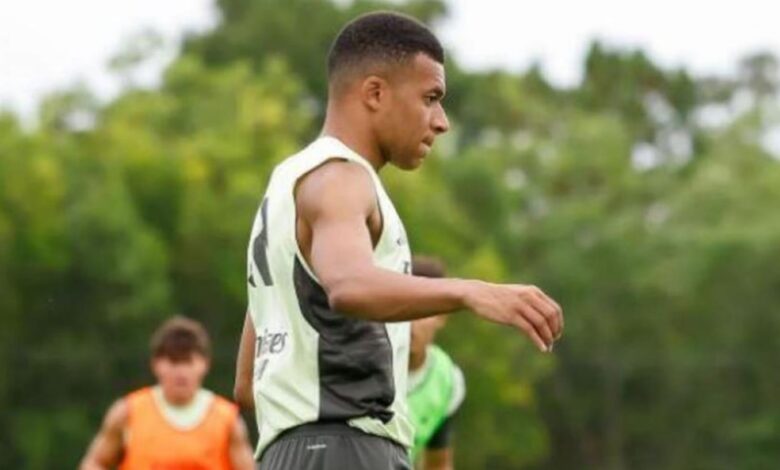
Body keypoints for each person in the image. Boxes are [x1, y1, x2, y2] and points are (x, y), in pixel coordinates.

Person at [235, 11, 563, 470]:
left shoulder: (286, 186)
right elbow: (350, 285)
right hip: (348, 451)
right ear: (375, 93)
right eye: (430, 98)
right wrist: (469, 291)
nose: (441, 121)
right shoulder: (341, 178)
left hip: (288, 453)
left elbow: (247, 384)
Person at [80, 316, 255, 470]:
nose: (181, 372)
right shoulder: (128, 413)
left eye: (188, 362)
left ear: (204, 364)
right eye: (173, 362)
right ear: (156, 364)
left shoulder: (227, 421)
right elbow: (94, 463)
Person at [407, 257, 465, 470]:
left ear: (442, 317)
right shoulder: (357, 358)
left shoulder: (447, 380)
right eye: (402, 307)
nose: (409, 321)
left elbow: (438, 464)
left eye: (422, 310)